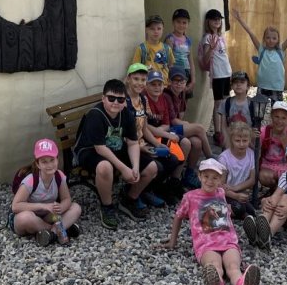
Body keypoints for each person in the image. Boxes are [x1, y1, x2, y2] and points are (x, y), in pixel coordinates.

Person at [157, 158, 262, 285]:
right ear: (199, 176)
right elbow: (178, 216)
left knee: (233, 266)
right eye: (206, 176)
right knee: (214, 266)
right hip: (206, 244)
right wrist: (173, 241)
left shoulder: (220, 193)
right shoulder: (190, 197)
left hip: (228, 241)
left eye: (215, 178)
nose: (210, 181)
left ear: (220, 180)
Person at [73, 79, 160, 230]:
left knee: (151, 168)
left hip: (116, 148)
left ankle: (129, 199)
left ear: (125, 101)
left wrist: (135, 167)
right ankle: (107, 206)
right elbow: (100, 149)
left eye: (120, 99)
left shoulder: (126, 114)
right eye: (111, 98)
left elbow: (132, 143)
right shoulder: (95, 115)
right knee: (105, 167)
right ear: (103, 98)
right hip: (89, 150)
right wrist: (124, 169)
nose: (115, 103)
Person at [10, 139, 82, 246]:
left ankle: (51, 233)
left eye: (52, 160)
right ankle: (61, 230)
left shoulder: (59, 176)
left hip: (49, 217)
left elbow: (66, 199)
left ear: (57, 160)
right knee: (24, 218)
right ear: (38, 164)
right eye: (44, 162)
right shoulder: (31, 180)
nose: (49, 165)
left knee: (76, 208)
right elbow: (15, 206)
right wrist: (43, 206)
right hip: (31, 217)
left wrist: (61, 207)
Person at [233, 11, 287, 103]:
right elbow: (251, 33)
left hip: (277, 87)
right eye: (268, 37)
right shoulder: (261, 50)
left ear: (278, 39)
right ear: (264, 39)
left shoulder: (280, 50)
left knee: (277, 109)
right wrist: (240, 19)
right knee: (259, 109)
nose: (271, 40)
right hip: (262, 85)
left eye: (274, 38)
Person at [144, 70, 204, 189]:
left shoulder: (163, 98)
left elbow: (166, 124)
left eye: (159, 84)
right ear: (146, 85)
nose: (157, 87)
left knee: (188, 142)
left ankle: (175, 180)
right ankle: (210, 157)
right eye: (153, 84)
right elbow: (145, 126)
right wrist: (165, 134)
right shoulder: (144, 99)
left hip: (161, 132)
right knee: (198, 129)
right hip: (149, 135)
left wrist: (160, 131)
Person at [124, 63, 173, 206]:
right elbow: (122, 135)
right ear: (128, 79)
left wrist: (157, 144)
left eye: (143, 79)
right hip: (128, 146)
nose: (140, 83)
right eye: (136, 79)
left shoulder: (143, 99)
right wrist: (142, 148)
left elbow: (144, 128)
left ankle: (146, 191)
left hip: (141, 143)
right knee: (157, 166)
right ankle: (131, 196)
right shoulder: (123, 101)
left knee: (171, 159)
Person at [197, 9, 233, 147]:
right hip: (217, 74)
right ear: (208, 21)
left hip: (226, 72)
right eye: (214, 19)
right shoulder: (208, 37)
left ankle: (224, 129)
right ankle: (218, 131)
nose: (217, 21)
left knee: (225, 101)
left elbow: (224, 56)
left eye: (219, 19)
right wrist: (211, 48)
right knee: (218, 103)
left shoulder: (220, 36)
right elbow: (206, 59)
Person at [257, 100, 287, 191]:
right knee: (264, 176)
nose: (279, 121)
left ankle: (279, 191)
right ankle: (276, 189)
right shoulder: (264, 132)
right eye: (277, 117)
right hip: (267, 165)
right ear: (271, 116)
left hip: (285, 166)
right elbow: (255, 149)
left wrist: (286, 145)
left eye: (284, 118)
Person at [219, 122, 257, 220]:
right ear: (231, 140)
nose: (241, 144)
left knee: (251, 211)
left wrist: (235, 188)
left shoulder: (251, 154)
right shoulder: (224, 158)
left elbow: (252, 180)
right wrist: (235, 195)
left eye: (245, 141)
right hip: (226, 194)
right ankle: (217, 211)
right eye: (237, 141)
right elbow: (220, 186)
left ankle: (243, 215)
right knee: (240, 208)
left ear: (249, 140)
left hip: (237, 191)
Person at [165, 9, 193, 89]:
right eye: (178, 22)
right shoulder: (170, 39)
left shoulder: (188, 40)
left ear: (188, 24)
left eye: (184, 22)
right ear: (173, 22)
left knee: (186, 95)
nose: (181, 25)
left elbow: (191, 61)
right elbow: (168, 61)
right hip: (175, 74)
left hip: (187, 73)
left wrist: (193, 80)